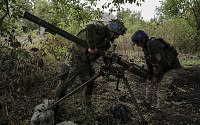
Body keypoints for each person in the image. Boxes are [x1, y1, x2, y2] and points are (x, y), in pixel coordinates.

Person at [54, 19, 127, 121]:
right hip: (74, 58)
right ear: (112, 31)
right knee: (64, 84)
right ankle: (53, 109)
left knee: (89, 82)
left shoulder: (106, 41)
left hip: (85, 62)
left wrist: (109, 66)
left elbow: (105, 56)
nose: (117, 37)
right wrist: (92, 46)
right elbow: (89, 26)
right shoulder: (101, 28)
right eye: (117, 35)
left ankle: (87, 107)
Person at [131, 30, 182, 118]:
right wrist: (150, 75)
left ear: (142, 40)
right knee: (149, 81)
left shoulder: (155, 45)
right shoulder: (146, 47)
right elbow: (148, 62)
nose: (137, 45)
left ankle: (160, 110)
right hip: (163, 67)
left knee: (161, 86)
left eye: (137, 43)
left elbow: (164, 62)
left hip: (172, 68)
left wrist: (156, 76)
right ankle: (147, 102)